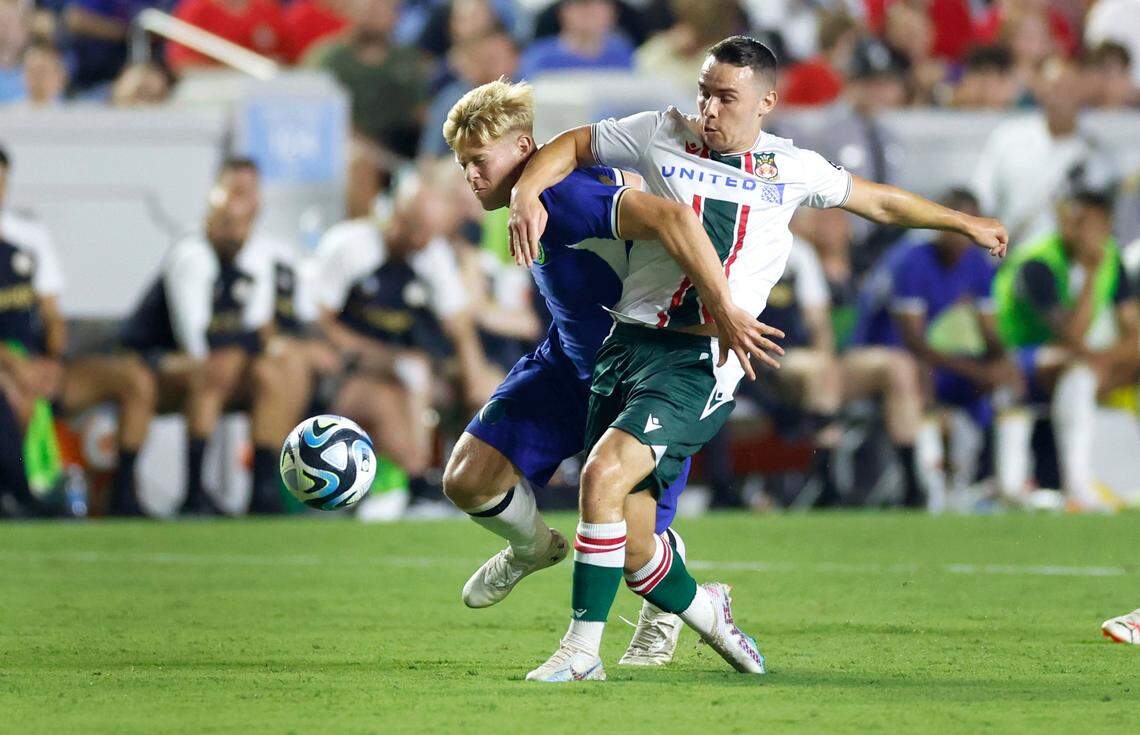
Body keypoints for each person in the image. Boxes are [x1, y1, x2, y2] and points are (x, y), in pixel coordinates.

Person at [509, 35, 1007, 683]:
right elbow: (574, 144)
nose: (709, 109)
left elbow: (878, 200)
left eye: (726, 97)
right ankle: (709, 610)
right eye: (704, 92)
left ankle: (580, 653)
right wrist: (526, 193)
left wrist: (962, 224)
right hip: (628, 344)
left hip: (702, 359)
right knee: (633, 544)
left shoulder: (790, 168)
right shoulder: (661, 132)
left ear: (766, 101)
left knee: (600, 476)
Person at [440, 79, 781, 672]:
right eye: (462, 163)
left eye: (478, 160)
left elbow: (673, 219)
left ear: (524, 147)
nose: (470, 175)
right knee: (467, 480)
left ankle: (676, 612)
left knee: (636, 549)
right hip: (567, 362)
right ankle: (531, 546)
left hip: (640, 374)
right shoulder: (523, 201)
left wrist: (723, 307)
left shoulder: (563, 196)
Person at [115, 157, 296, 516]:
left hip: (212, 361)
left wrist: (252, 349)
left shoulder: (259, 255)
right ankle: (194, 493)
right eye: (228, 217)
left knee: (273, 372)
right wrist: (243, 348)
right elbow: (193, 340)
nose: (235, 228)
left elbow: (259, 330)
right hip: (154, 356)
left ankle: (263, 489)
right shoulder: (192, 254)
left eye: (243, 218)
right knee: (213, 372)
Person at [314, 172, 493, 514]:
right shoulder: (350, 244)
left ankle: (449, 485)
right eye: (415, 228)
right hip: (351, 370)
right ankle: (416, 482)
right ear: (396, 213)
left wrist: (477, 383)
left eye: (429, 233)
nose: (420, 240)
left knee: (480, 383)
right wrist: (381, 356)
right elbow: (319, 320)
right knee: (409, 376)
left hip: (410, 373)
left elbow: (458, 326)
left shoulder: (431, 253)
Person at [992, 177, 1140, 511]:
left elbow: (1133, 330)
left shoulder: (1112, 258)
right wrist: (1089, 274)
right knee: (1078, 367)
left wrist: (1105, 359)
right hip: (1020, 359)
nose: (1087, 232)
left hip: (1079, 359)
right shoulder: (1039, 261)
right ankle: (1078, 483)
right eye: (1079, 222)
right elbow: (1070, 335)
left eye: (1096, 224)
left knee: (1090, 366)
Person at [887, 189, 1019, 509]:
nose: (961, 236)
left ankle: (1006, 486)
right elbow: (914, 342)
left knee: (1009, 381)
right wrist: (976, 370)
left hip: (953, 364)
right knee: (922, 379)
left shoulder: (979, 265)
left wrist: (1003, 362)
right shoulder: (913, 262)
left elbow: (990, 332)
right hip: (907, 360)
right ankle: (926, 491)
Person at [972, 59, 1094, 248]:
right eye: (1053, 88)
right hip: (1010, 256)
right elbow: (982, 198)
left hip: (1068, 262)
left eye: (1068, 90)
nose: (1060, 97)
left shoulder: (1094, 155)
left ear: (1082, 94)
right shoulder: (1008, 138)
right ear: (1039, 91)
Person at [305, 0, 429, 158]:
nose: (371, 17)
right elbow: (318, 112)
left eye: (381, 8)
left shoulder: (407, 58)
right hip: (347, 147)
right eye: (368, 10)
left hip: (401, 147)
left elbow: (421, 111)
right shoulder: (328, 59)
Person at [517, 0, 634, 80]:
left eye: (597, 3)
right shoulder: (538, 57)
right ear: (562, 12)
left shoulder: (622, 53)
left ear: (612, 13)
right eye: (579, 3)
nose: (587, 9)